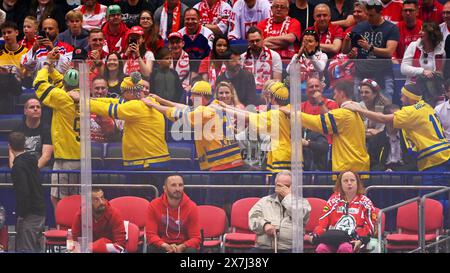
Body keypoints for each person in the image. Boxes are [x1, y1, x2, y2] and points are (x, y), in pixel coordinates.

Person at [343, 83, 450, 178]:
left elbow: (383, 118)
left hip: (434, 159)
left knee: (432, 197)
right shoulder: (426, 106)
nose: (401, 99)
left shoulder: (411, 111)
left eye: (403, 96)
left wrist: (357, 109)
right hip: (443, 154)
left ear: (410, 97)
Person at [283, 80, 370, 176]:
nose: (334, 97)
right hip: (360, 166)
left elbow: (317, 122)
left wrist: (293, 114)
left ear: (341, 93)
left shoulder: (344, 114)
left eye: (335, 94)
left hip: (348, 168)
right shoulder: (357, 111)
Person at [33, 59, 81, 212]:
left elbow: (39, 84)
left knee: (61, 200)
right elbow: (62, 83)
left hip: (67, 158)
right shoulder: (82, 96)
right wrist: (53, 68)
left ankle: (66, 232)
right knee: (71, 199)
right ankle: (71, 231)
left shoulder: (63, 98)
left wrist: (46, 66)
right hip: (76, 155)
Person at [306, 171, 377, 253]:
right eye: (345, 181)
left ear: (357, 183)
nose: (349, 183)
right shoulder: (333, 200)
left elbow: (370, 227)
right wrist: (318, 235)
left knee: (345, 248)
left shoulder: (365, 202)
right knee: (321, 248)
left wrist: (360, 240)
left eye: (352, 180)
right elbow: (323, 223)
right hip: (333, 238)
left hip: (354, 239)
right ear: (340, 184)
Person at [342, 0, 399, 102]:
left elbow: (389, 51)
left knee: (385, 105)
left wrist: (370, 48)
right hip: (362, 72)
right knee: (360, 106)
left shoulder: (391, 28)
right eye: (367, 15)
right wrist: (346, 41)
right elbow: (345, 51)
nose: (368, 18)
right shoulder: (360, 27)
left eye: (371, 15)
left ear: (380, 13)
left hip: (383, 73)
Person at [249, 170, 311, 253]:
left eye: (286, 186)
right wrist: (264, 225)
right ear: (275, 186)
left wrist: (288, 197)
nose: (283, 189)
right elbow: (252, 219)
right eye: (279, 186)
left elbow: (300, 215)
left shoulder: (302, 203)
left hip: (290, 249)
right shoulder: (264, 201)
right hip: (263, 248)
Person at [9, 131, 46, 253]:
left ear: (10, 146)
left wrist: (22, 214)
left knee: (27, 248)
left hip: (29, 214)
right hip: (40, 210)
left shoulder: (18, 167)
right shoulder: (32, 160)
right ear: (24, 144)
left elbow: (23, 192)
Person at [146, 175, 201, 253]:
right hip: (162, 244)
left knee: (191, 251)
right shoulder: (154, 205)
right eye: (173, 185)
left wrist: (182, 246)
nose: (177, 189)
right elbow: (150, 234)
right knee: (151, 248)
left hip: (184, 245)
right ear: (165, 189)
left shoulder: (192, 206)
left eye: (180, 185)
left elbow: (196, 237)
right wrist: (164, 245)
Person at [401, 22, 445, 107]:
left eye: (423, 30)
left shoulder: (441, 51)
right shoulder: (414, 46)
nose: (419, 33)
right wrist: (422, 71)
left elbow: (440, 73)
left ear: (432, 34)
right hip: (413, 90)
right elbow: (403, 68)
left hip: (432, 91)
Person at [72, 188, 126, 253]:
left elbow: (120, 246)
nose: (101, 202)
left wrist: (95, 247)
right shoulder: (81, 215)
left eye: (102, 198)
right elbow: (75, 241)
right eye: (96, 200)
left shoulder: (115, 214)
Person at [368, 104, 418, 171]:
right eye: (396, 117)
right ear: (386, 119)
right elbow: (373, 163)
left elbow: (414, 162)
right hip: (382, 174)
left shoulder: (409, 137)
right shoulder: (376, 139)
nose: (400, 119)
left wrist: (397, 171)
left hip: (404, 173)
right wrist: (384, 170)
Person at [9, 98, 53, 169]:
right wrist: (15, 169)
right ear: (25, 111)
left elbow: (46, 156)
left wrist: (32, 171)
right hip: (21, 166)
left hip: (40, 168)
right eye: (32, 107)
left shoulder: (48, 130)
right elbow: (12, 154)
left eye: (38, 107)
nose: (35, 109)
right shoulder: (17, 130)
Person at [241, 27, 282, 96]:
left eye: (257, 40)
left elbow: (277, 81)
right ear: (248, 42)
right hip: (247, 94)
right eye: (252, 41)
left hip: (267, 94)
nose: (255, 43)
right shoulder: (242, 57)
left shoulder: (274, 56)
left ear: (262, 39)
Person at [0, 21, 26, 114]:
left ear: (17, 33)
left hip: (19, 87)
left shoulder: (26, 53)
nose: (6, 35)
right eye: (4, 33)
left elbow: (27, 76)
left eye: (9, 32)